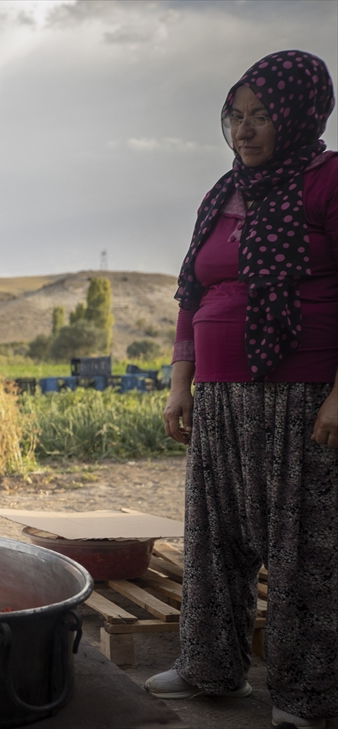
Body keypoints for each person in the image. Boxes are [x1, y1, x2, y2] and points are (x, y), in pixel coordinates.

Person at [154, 50, 338, 729]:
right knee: (212, 537)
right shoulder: (222, 191)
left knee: (299, 547)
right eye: (235, 116)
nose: (245, 130)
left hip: (300, 391)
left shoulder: (327, 181)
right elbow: (191, 291)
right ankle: (209, 666)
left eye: (261, 115)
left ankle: (305, 694)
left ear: (300, 113)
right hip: (221, 395)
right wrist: (182, 383)